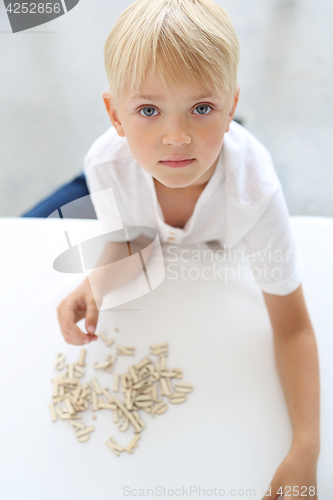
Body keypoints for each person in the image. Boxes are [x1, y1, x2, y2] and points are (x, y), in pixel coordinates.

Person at [54, 0, 319, 496]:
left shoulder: (255, 194)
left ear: (232, 105)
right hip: (127, 168)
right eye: (149, 110)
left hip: (217, 163)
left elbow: (294, 327)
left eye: (201, 107)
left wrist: (305, 449)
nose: (175, 137)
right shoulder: (106, 163)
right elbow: (134, 239)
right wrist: (94, 283)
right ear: (114, 113)